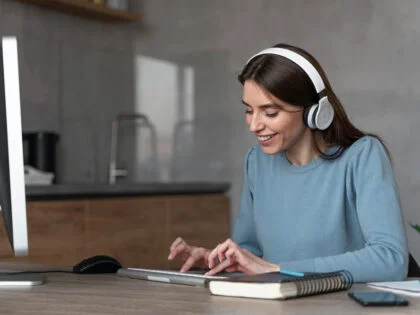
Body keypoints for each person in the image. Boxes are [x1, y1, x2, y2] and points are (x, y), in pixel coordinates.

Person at [167, 43, 408, 282]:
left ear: (314, 111)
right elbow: (252, 258)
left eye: (270, 113)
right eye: (249, 110)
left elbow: (390, 259)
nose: (254, 125)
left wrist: (278, 268)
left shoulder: (362, 156)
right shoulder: (257, 162)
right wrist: (218, 261)